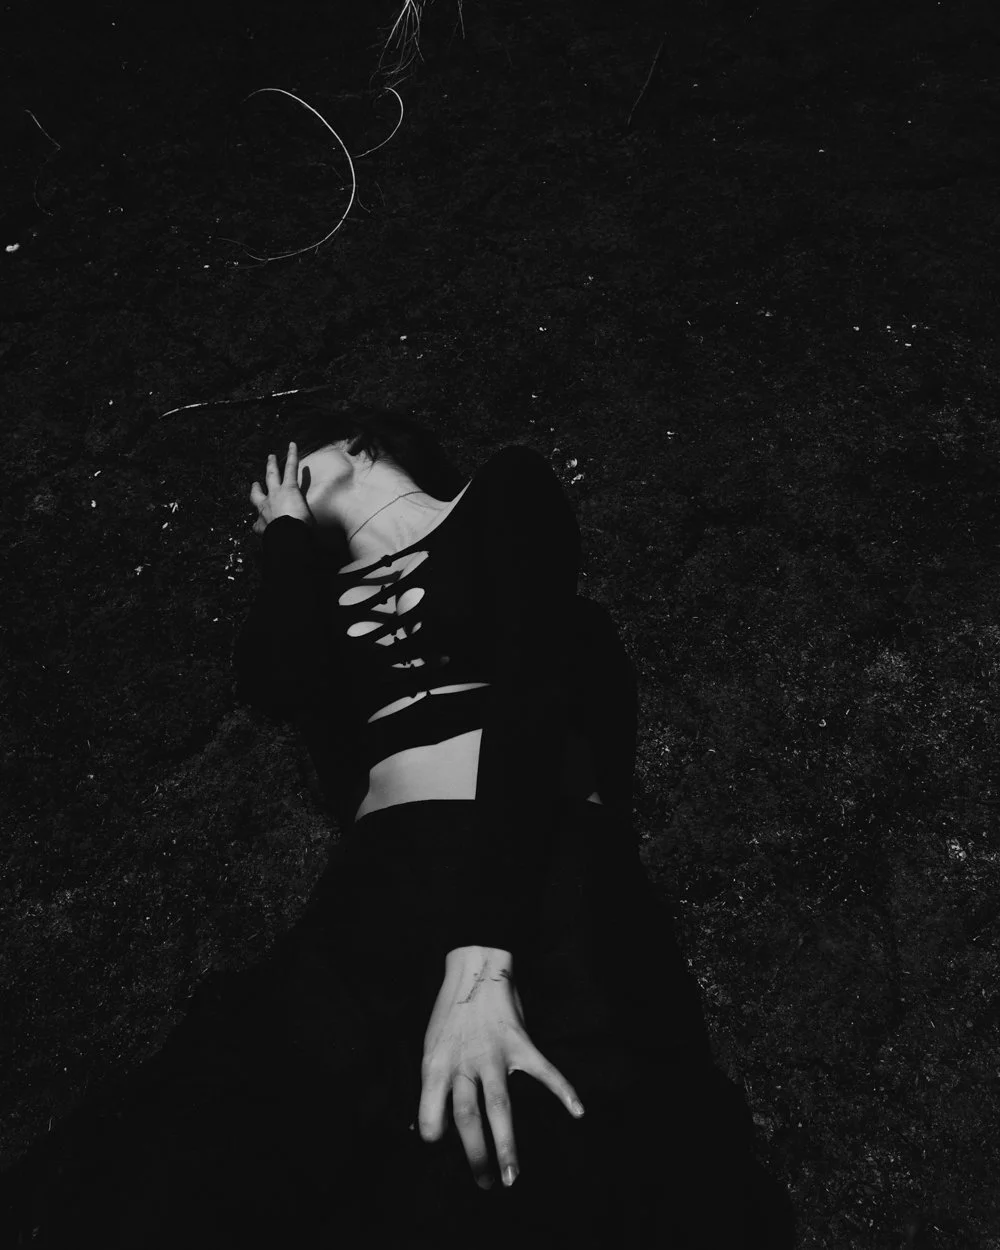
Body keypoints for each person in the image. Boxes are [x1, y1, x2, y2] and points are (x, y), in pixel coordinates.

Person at [0, 405, 797, 1247]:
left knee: (554, 1146)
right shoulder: (317, 594)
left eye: (299, 462)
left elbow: (532, 684)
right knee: (215, 1134)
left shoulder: (500, 491)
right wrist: (286, 536)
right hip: (382, 879)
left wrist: (483, 960)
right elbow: (274, 680)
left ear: (362, 446)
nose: (275, 484)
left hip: (534, 847)